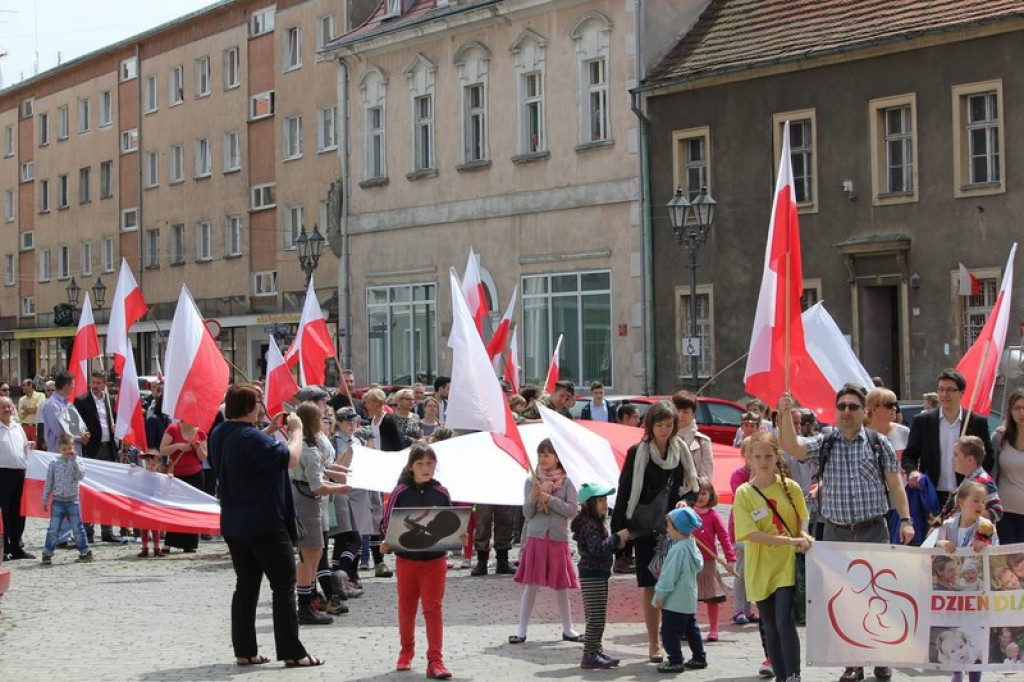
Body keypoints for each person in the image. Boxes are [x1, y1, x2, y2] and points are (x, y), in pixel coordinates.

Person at [778, 385, 912, 682]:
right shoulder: (825, 441)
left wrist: (905, 520)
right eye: (842, 406)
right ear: (836, 411)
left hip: (873, 529)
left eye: (853, 406)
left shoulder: (878, 443)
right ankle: (853, 664)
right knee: (845, 600)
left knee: (880, 598)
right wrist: (785, 413)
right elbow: (793, 446)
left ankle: (881, 658)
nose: (847, 411)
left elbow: (895, 484)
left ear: (865, 412)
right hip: (836, 533)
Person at [210, 383, 324, 668]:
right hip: (264, 522)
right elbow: (291, 457)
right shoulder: (249, 436)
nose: (261, 407)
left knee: (246, 585)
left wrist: (270, 431)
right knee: (284, 584)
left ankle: (245, 650)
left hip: (235, 522)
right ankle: (292, 651)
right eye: (259, 403)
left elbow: (243, 448)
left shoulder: (221, 433)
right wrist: (296, 430)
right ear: (251, 407)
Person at [610, 400, 699, 663]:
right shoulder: (637, 452)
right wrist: (619, 530)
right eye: (659, 424)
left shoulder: (680, 450)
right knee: (651, 584)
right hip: (646, 528)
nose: (663, 429)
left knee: (677, 583)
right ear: (650, 425)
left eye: (668, 425)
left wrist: (687, 502)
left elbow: (693, 487)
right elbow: (625, 490)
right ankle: (653, 643)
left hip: (675, 529)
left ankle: (674, 636)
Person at [733, 432, 812, 682]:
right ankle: (781, 676)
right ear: (749, 459)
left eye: (768, 455)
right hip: (760, 565)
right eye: (757, 456)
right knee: (769, 625)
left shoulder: (791, 487)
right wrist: (790, 540)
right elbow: (751, 534)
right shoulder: (744, 493)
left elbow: (801, 523)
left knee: (784, 621)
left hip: (786, 564)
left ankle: (793, 675)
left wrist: (804, 538)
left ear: (778, 457)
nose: (763, 461)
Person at [381, 441, 458, 679]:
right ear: (411, 466)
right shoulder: (400, 492)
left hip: (435, 560)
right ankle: (406, 652)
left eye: (430, 463)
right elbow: (387, 523)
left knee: (433, 608)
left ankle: (436, 660)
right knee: (407, 608)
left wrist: (460, 536)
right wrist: (387, 540)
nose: (426, 468)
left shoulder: (442, 492)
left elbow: (452, 521)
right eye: (420, 463)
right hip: (407, 560)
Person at [508, 438, 581, 644]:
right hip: (536, 536)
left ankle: (568, 628)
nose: (542, 459)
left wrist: (550, 499)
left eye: (547, 455)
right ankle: (521, 630)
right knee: (531, 583)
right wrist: (533, 497)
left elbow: (571, 510)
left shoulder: (567, 481)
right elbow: (527, 513)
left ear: (557, 458)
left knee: (561, 585)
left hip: (557, 537)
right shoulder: (532, 481)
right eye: (540, 455)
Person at [291, 401, 350, 624]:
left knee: (314, 554)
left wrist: (343, 473)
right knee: (310, 555)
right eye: (320, 417)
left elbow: (322, 469)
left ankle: (310, 599)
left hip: (305, 498)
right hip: (308, 501)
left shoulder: (304, 444)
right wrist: (342, 488)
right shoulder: (309, 449)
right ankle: (305, 606)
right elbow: (317, 485)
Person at [903, 368, 994, 508]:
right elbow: (908, 456)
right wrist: (913, 471)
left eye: (951, 390)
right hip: (932, 494)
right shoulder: (923, 421)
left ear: (962, 393)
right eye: (941, 389)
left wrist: (974, 482)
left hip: (965, 495)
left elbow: (988, 459)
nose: (945, 394)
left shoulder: (976, 422)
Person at [571, 482, 629, 669]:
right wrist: (616, 538)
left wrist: (614, 544)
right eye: (600, 500)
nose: (604, 503)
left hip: (599, 574)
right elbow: (597, 549)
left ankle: (596, 650)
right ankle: (589, 655)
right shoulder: (589, 525)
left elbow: (599, 548)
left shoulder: (594, 523)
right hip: (592, 575)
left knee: (597, 617)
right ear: (588, 504)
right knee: (595, 618)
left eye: (605, 499)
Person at [652, 506, 707, 674]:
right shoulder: (692, 546)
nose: (667, 529)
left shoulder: (677, 550)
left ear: (677, 529)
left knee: (669, 632)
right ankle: (699, 657)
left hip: (675, 601)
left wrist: (659, 595)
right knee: (691, 628)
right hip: (689, 599)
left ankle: (675, 660)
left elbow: (669, 577)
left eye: (669, 526)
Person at [75, 371, 124, 544]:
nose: (95, 386)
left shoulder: (110, 401)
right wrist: (82, 435)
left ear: (105, 384)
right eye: (93, 382)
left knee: (107, 491)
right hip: (92, 450)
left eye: (98, 383)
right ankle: (88, 531)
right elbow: (76, 424)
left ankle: (107, 530)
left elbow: (119, 422)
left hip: (108, 449)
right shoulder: (81, 401)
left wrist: (116, 428)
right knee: (89, 492)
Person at [692, 477, 735, 642]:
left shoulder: (713, 515)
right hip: (690, 562)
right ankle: (690, 627)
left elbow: (724, 537)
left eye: (704, 493)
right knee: (690, 597)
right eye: (697, 493)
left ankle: (714, 629)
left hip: (708, 562)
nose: (700, 497)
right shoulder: (687, 513)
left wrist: (730, 558)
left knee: (712, 597)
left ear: (710, 496)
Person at [40, 434, 93, 564]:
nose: (67, 451)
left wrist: (74, 460)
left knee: (77, 527)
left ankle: (85, 551)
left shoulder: (77, 461)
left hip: (72, 500)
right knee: (53, 528)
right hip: (58, 501)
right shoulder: (54, 463)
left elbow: (81, 476)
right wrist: (45, 498)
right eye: (64, 449)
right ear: (59, 449)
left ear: (73, 447)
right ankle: (47, 553)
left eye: (69, 448)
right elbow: (49, 482)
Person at [160, 419, 208, 553]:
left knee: (192, 509)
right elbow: (162, 450)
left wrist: (198, 448)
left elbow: (203, 457)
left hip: (195, 475)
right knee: (174, 508)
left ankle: (190, 543)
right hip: (176, 476)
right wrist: (178, 446)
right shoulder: (173, 429)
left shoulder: (200, 432)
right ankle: (169, 542)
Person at [0, 396, 33, 560]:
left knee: (18, 512)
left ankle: (17, 547)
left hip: (19, 473)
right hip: (2, 474)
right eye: (3, 407)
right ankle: (4, 549)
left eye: (9, 406)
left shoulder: (17, 427)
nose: (7, 409)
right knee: (3, 512)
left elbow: (24, 447)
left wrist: (31, 447)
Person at [940, 436, 1001, 523]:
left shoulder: (984, 481)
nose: (952, 459)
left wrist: (968, 516)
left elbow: (997, 512)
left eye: (956, 454)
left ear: (970, 459)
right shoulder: (968, 480)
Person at [991, 387, 1024, 544]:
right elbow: (990, 472)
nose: (1022, 412)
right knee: (1007, 565)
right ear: (1010, 411)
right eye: (1017, 408)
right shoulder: (999, 437)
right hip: (1004, 513)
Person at [672, 391, 713, 479]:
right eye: (677, 410)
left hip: (692, 490)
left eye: (685, 412)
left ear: (693, 414)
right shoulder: (665, 437)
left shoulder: (702, 441)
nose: (680, 415)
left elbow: (706, 477)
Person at [135, 450, 165, 558]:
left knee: (155, 527)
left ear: (158, 464)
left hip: (155, 505)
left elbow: (165, 488)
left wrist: (170, 478)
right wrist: (131, 470)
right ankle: (144, 548)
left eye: (153, 464)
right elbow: (131, 479)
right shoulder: (142, 474)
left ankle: (157, 548)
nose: (150, 466)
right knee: (144, 527)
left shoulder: (160, 477)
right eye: (148, 464)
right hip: (144, 504)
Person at [865, 388, 910, 454]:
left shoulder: (904, 432)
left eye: (895, 405)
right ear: (874, 409)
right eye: (889, 405)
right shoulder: (861, 434)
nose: (894, 408)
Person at [17, 378, 43, 443]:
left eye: (23, 385)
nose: (22, 387)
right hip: (24, 427)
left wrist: (26, 409)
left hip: (36, 427)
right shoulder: (21, 399)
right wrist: (32, 409)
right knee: (24, 448)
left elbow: (38, 410)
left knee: (35, 449)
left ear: (30, 385)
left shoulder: (40, 396)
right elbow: (20, 415)